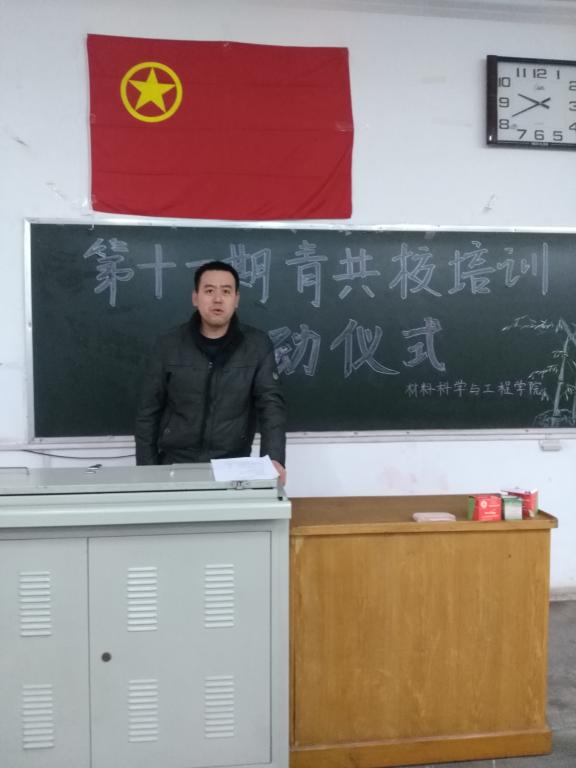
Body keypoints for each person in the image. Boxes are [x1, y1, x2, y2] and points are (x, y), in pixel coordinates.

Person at [134, 260, 286, 483]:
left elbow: (271, 406)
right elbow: (148, 411)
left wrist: (273, 460)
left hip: (233, 465)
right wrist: (148, 470)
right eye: (209, 291)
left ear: (236, 299)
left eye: (226, 291)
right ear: (195, 298)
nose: (217, 299)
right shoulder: (168, 345)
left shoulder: (257, 346)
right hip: (175, 463)